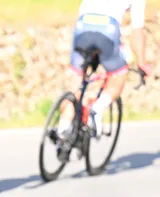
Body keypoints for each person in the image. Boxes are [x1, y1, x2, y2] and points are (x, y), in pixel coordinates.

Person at [59, 0, 148, 137]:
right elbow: (137, 34)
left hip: (82, 28)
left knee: (75, 86)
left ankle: (62, 129)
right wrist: (142, 64)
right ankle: (96, 110)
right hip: (108, 30)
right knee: (119, 75)